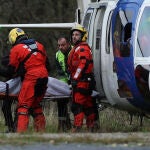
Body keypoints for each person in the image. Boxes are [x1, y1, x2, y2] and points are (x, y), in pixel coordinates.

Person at [0, 28, 49, 133]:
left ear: (13, 38)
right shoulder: (39, 45)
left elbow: (10, 72)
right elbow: (47, 65)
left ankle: (20, 133)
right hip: (44, 78)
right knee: (35, 105)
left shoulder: (16, 49)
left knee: (23, 106)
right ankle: (41, 132)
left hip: (31, 78)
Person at [67, 23, 96, 132]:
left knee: (77, 105)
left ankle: (77, 127)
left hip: (81, 81)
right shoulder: (79, 48)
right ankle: (91, 127)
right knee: (88, 106)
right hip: (85, 81)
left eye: (77, 35)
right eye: (73, 34)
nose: (74, 37)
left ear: (82, 36)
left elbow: (83, 64)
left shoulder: (81, 48)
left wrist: (75, 78)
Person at [55, 36, 72, 132]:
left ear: (68, 44)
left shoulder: (74, 51)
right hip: (65, 80)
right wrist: (63, 87)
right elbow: (60, 73)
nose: (60, 47)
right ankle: (63, 124)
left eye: (63, 45)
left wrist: (71, 83)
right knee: (60, 99)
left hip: (76, 80)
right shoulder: (57, 55)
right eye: (59, 45)